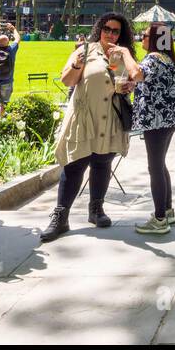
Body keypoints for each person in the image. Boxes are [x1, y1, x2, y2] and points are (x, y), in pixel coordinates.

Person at [40, 13, 133, 241]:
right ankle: (60, 217)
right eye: (107, 29)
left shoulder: (121, 55)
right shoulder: (84, 50)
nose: (111, 34)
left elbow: (127, 81)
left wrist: (128, 86)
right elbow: (67, 81)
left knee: (103, 164)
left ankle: (96, 209)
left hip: (110, 117)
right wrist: (76, 65)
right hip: (84, 118)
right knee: (74, 166)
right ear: (99, 29)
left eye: (116, 31)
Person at [108, 22, 175, 236]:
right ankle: (167, 211)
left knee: (155, 168)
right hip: (169, 120)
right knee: (160, 165)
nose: (142, 38)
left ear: (155, 40)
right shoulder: (168, 59)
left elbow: (138, 74)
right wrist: (136, 86)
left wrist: (124, 51)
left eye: (145, 35)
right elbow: (150, 81)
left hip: (157, 121)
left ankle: (160, 219)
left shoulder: (153, 58)